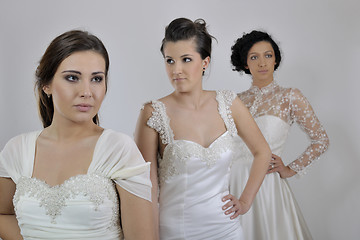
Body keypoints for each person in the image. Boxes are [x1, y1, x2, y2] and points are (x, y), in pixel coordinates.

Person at [0, 30, 155, 240]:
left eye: (97, 79)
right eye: (72, 78)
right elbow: (3, 214)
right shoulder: (16, 150)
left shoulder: (118, 149)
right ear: (46, 84)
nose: (87, 91)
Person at [134, 18, 271, 240]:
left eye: (186, 59)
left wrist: (245, 201)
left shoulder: (229, 102)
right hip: (176, 231)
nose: (176, 70)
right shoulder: (153, 112)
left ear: (205, 62)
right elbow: (146, 188)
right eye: (170, 61)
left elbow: (263, 152)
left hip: (228, 229)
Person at [229, 30, 330, 240]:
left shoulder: (290, 96)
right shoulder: (235, 101)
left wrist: (290, 169)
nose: (262, 63)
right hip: (233, 183)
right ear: (245, 64)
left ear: (275, 59)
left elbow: (321, 140)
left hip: (267, 187)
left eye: (268, 55)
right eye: (254, 57)